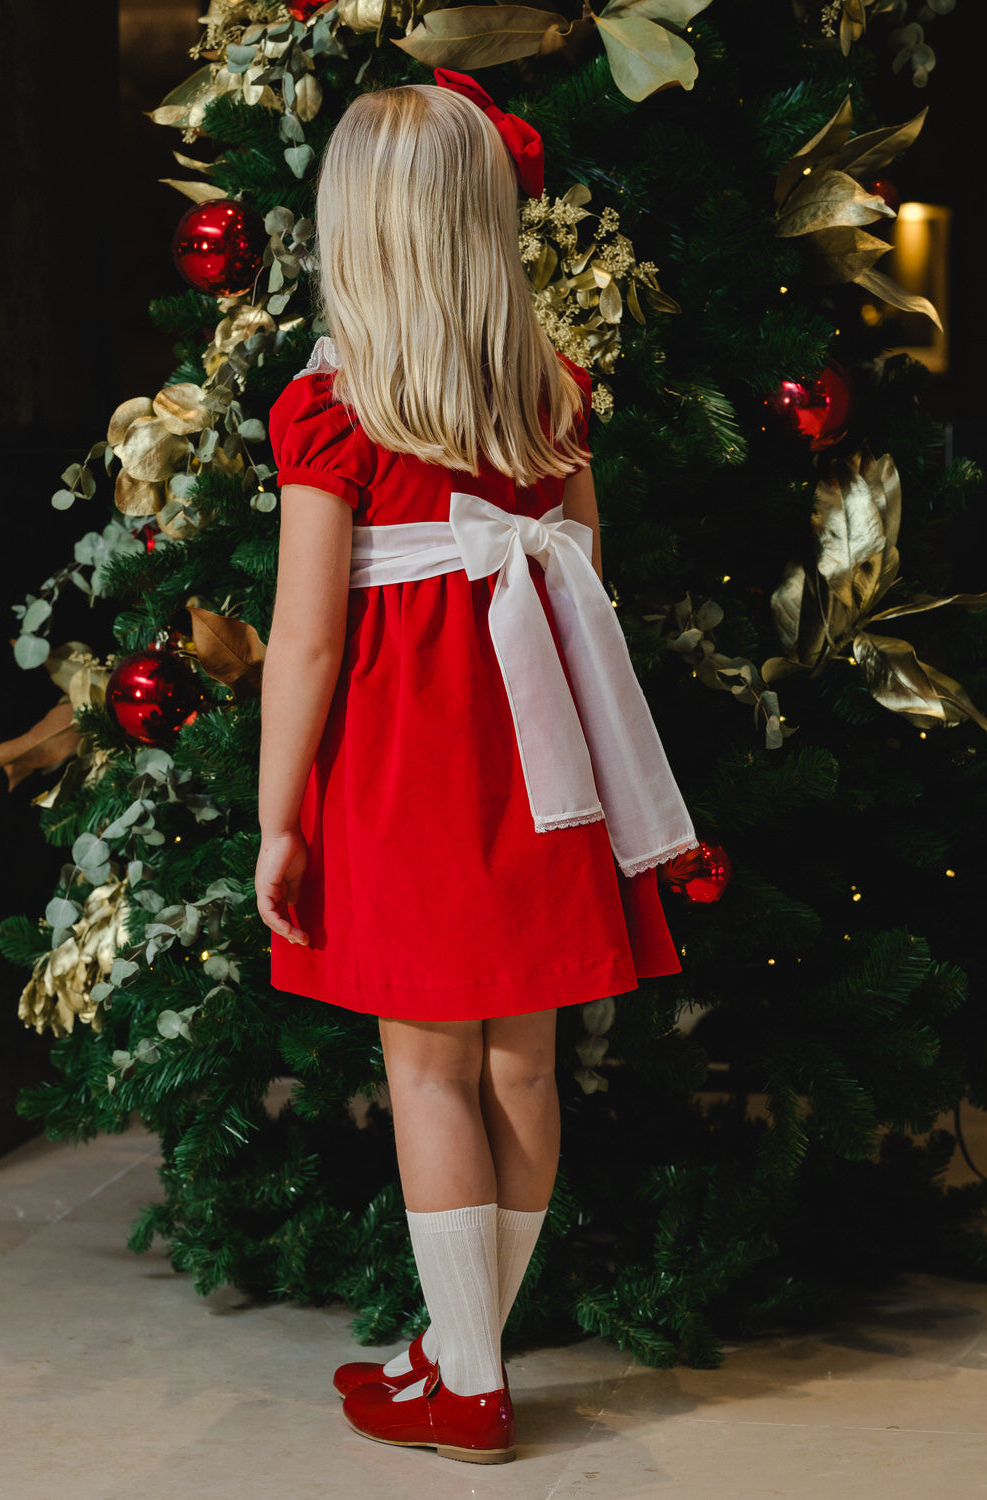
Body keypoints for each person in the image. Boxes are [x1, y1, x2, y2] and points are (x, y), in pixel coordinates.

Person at [255, 70, 699, 1466]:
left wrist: (278, 816)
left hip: (410, 765)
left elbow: (308, 646)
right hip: (539, 752)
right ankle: (462, 1353)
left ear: (361, 237)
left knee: (431, 1079)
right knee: (522, 1074)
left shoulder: (332, 412)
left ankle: (469, 1385)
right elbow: (588, 585)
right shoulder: (551, 394)